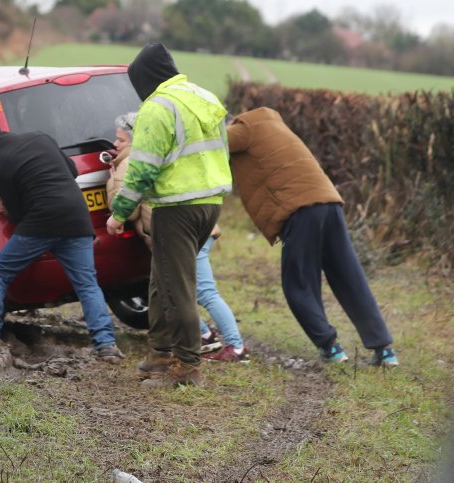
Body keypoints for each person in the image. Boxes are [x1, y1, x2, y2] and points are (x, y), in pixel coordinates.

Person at [227, 107, 397, 367]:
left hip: (300, 210)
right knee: (349, 276)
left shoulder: (244, 129)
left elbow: (210, 144)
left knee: (299, 284)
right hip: (329, 203)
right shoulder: (275, 126)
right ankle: (384, 350)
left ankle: (331, 348)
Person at [106, 42, 233, 387]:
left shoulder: (157, 107)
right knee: (161, 281)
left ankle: (187, 365)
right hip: (209, 203)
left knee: (177, 288)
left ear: (144, 79)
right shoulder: (204, 97)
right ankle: (160, 353)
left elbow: (142, 171)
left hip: (176, 207)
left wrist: (120, 213)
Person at [0, 123, 125, 363]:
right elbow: (72, 171)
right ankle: (106, 345)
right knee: (87, 284)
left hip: (40, 224)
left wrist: (7, 209)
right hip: (76, 220)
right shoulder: (39, 136)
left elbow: (17, 214)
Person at [107, 112, 247, 363]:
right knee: (181, 289)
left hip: (185, 235)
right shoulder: (162, 152)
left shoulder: (131, 163)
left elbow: (129, 210)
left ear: (134, 139)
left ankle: (236, 347)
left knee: (203, 291)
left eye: (120, 140)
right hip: (198, 228)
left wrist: (113, 177)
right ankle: (204, 335)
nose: (114, 145)